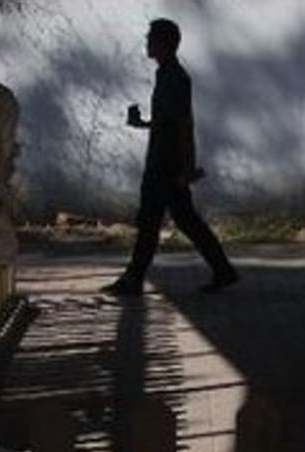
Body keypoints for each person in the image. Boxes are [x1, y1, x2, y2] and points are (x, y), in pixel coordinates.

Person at [102, 18, 238, 296]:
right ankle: (223, 270)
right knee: (185, 220)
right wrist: (142, 123)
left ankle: (134, 278)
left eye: (151, 39)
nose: (147, 43)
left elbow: (183, 123)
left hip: (166, 163)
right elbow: (167, 121)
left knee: (150, 221)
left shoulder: (176, 77)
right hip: (165, 159)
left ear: (163, 44)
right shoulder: (166, 74)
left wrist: (187, 164)